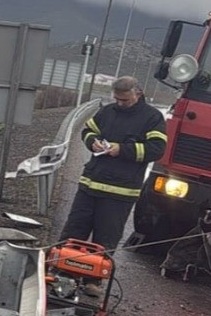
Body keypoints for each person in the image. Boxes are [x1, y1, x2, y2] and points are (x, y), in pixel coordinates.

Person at [59, 76, 167, 296]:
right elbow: (87, 131)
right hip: (90, 185)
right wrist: (93, 142)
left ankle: (94, 281)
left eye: (124, 100)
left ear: (138, 93)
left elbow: (157, 149)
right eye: (117, 99)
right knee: (74, 230)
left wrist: (122, 150)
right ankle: (63, 273)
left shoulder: (152, 118)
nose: (120, 104)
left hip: (121, 192)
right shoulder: (107, 112)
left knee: (106, 238)